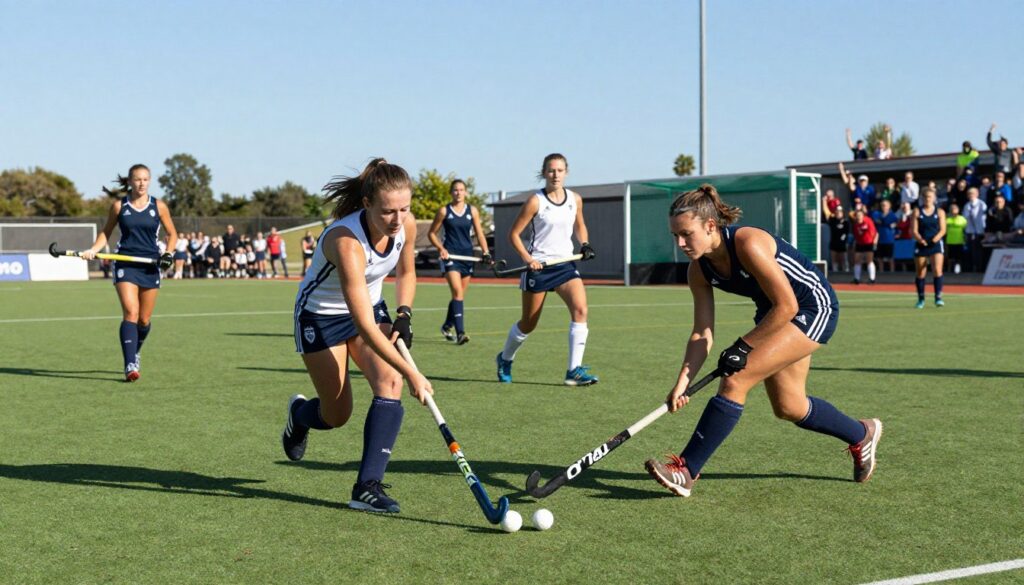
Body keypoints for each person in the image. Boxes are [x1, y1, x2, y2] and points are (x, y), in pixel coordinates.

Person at [644, 184, 881, 498]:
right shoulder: (698, 270)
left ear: (710, 226)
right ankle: (861, 433)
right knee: (789, 406)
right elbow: (702, 331)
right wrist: (683, 381)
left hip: (812, 307)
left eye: (687, 234)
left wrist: (742, 346)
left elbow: (789, 306)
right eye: (676, 235)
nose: (680, 243)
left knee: (736, 380)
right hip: (775, 313)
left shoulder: (748, 243)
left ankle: (686, 470)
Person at [281, 158, 431, 514]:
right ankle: (299, 415)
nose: (397, 220)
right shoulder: (347, 242)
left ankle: (366, 487)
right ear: (367, 204)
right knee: (336, 415)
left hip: (370, 305)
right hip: (322, 318)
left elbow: (406, 273)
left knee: (389, 383)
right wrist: (414, 372)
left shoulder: (404, 225)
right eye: (388, 211)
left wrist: (404, 313)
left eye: (405, 209)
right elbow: (363, 323)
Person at [496, 153, 598, 386]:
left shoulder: (575, 199)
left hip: (565, 265)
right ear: (544, 172)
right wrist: (528, 258)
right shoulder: (535, 201)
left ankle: (574, 371)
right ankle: (505, 358)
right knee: (528, 324)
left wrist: (584, 244)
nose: (555, 175)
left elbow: (580, 225)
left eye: (560, 170)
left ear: (566, 172)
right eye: (551, 170)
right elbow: (513, 234)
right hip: (539, 267)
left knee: (581, 309)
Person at [81, 164, 176, 382]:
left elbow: (172, 234)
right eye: (137, 179)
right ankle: (130, 364)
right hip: (125, 263)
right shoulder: (118, 206)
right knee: (131, 313)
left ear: (149, 181)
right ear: (130, 181)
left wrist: (169, 253)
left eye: (145, 179)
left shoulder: (159, 206)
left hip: (150, 265)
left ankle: (136, 350)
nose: (141, 183)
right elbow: (106, 232)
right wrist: (94, 250)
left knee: (144, 319)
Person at [428, 179, 493, 346]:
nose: (458, 193)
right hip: (451, 257)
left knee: (459, 295)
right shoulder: (444, 211)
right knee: (457, 291)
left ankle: (447, 326)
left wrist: (486, 252)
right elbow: (432, 234)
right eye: (455, 190)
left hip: (467, 256)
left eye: (461, 190)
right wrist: (441, 249)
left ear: (466, 192)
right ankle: (460, 333)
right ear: (451, 192)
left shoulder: (473, 211)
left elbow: (479, 233)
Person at [911, 187, 947, 309]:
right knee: (921, 272)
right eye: (926, 197)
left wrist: (935, 239)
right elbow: (914, 230)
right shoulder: (917, 211)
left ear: (934, 198)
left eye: (930, 197)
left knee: (937, 269)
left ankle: (938, 297)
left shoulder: (940, 212)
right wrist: (920, 239)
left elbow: (943, 230)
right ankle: (921, 298)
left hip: (935, 244)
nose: (928, 199)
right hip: (922, 244)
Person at [962, 187, 987, 272]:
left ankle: (979, 268)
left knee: (979, 251)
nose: (970, 195)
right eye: (969, 194)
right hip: (970, 231)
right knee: (971, 251)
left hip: (980, 231)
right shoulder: (967, 205)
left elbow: (984, 218)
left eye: (972, 193)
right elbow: (965, 218)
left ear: (977, 194)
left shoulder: (982, 204)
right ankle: (971, 268)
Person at [850, 209, 878, 284]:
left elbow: (874, 232)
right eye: (857, 215)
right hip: (860, 243)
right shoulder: (855, 225)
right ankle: (856, 278)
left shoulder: (868, 221)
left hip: (868, 243)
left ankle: (872, 279)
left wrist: (874, 242)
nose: (858, 217)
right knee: (857, 260)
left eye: (860, 215)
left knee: (869, 260)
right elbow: (856, 235)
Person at [872, 199, 899, 273]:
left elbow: (887, 222)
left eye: (885, 205)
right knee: (880, 257)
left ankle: (892, 272)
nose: (883, 207)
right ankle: (881, 272)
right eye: (882, 205)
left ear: (889, 206)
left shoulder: (892, 216)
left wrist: (882, 222)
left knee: (890, 257)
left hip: (889, 239)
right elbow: (875, 220)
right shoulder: (878, 214)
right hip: (880, 239)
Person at [944, 203, 967, 274]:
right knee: (950, 257)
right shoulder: (946, 219)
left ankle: (959, 270)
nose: (953, 210)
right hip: (950, 241)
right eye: (952, 209)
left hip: (960, 241)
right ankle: (949, 269)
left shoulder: (962, 219)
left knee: (959, 257)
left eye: (955, 209)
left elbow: (965, 229)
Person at [826, 205, 850, 273]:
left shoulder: (846, 222)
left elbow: (846, 233)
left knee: (843, 258)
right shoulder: (833, 220)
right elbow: (827, 214)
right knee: (834, 258)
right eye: (837, 211)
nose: (838, 213)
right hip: (834, 243)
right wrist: (824, 202)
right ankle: (835, 271)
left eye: (840, 212)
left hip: (842, 244)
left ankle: (846, 271)